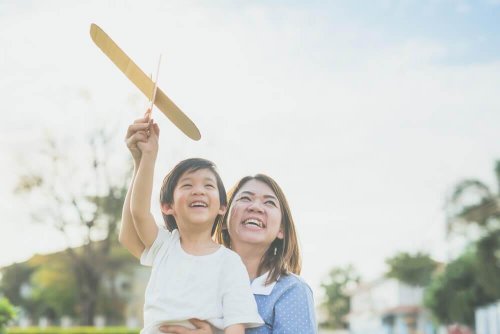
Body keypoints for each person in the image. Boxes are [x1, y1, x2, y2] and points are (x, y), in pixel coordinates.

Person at [119, 114, 263, 334]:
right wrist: (147, 158)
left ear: (222, 207)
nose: (198, 190)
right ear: (168, 206)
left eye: (208, 185)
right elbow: (138, 211)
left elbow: (236, 325)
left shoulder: (230, 263)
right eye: (187, 185)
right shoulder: (164, 246)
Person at [160, 175, 317, 334]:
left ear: (281, 230)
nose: (255, 207)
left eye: (269, 202)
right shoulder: (195, 276)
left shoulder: (292, 290)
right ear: (224, 218)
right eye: (245, 198)